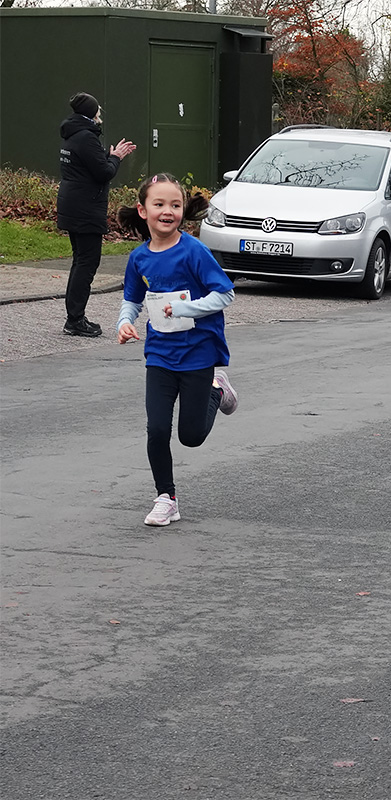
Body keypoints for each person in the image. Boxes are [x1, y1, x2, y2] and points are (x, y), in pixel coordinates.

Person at [115, 174, 239, 527]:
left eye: (175, 205)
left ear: (183, 211)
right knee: (157, 429)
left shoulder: (193, 251)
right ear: (143, 210)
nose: (167, 211)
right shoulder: (139, 258)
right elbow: (132, 299)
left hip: (198, 353)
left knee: (191, 437)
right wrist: (124, 322)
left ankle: (217, 389)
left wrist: (186, 309)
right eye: (159, 204)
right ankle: (166, 498)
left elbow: (225, 294)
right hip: (159, 354)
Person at [57, 92, 136, 337]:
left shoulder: (73, 134)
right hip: (85, 209)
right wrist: (116, 157)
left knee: (80, 260)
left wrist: (109, 156)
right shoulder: (86, 137)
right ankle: (75, 319)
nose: (100, 115)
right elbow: (103, 173)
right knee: (87, 262)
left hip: (73, 204)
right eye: (98, 111)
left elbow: (89, 167)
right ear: (91, 113)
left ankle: (74, 317)